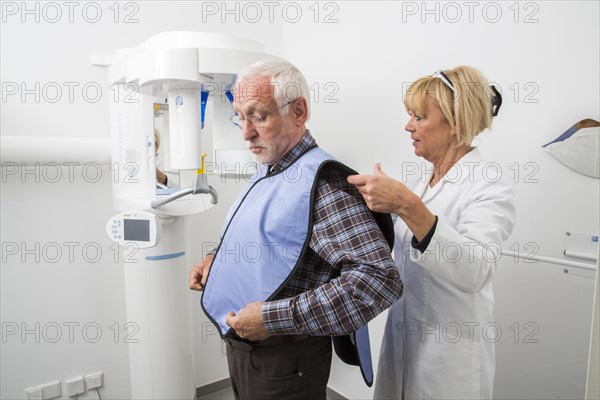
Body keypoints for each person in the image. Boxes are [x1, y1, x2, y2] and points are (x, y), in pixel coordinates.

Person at [189, 60, 403, 400]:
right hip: (247, 352)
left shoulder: (323, 184)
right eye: (240, 117)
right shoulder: (269, 168)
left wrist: (271, 319)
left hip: (285, 361)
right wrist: (217, 259)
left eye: (258, 116)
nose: (246, 133)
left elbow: (378, 281)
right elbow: (266, 236)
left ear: (299, 111)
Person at [348, 66, 516, 399]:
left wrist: (406, 206)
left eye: (419, 117)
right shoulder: (421, 186)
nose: (407, 126)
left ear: (456, 123)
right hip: (404, 344)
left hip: (451, 360)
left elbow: (477, 269)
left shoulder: (489, 185)